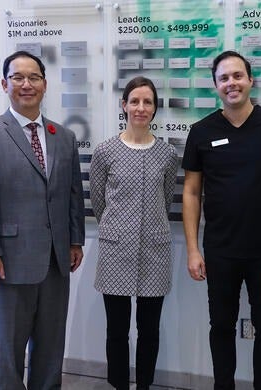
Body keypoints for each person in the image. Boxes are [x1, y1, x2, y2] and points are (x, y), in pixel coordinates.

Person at [0, 50, 85, 389]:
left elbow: (73, 193)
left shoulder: (64, 136)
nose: (26, 84)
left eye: (34, 77)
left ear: (45, 84)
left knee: (50, 349)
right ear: (5, 84)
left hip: (55, 262)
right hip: (6, 264)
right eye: (18, 77)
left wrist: (75, 240)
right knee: (9, 351)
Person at [181, 50, 261, 390]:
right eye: (224, 78)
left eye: (238, 76)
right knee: (220, 325)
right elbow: (192, 192)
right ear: (215, 86)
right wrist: (193, 250)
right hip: (220, 250)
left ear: (251, 80)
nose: (231, 83)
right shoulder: (202, 131)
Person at [89, 76, 179, 390]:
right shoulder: (105, 151)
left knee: (149, 329)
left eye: (148, 102)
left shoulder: (167, 155)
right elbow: (98, 202)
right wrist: (119, 228)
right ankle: (119, 385)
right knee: (116, 329)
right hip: (115, 252)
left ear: (155, 109)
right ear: (123, 105)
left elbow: (165, 200)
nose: (141, 108)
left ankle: (144, 385)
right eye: (135, 101)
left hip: (154, 251)